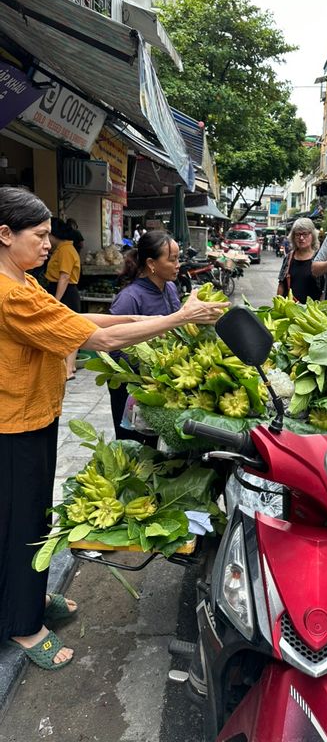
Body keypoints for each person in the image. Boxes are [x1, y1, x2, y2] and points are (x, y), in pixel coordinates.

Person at [0, 186, 227, 671]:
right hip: (12, 426)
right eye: (39, 236)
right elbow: (99, 338)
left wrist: (172, 316)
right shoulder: (9, 294)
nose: (49, 245)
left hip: (34, 414)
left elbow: (78, 319)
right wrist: (179, 318)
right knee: (18, 522)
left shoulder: (23, 278)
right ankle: (22, 626)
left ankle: (29, 599)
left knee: (33, 517)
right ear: (4, 234)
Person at [108, 231, 182, 443]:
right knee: (136, 443)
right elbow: (114, 348)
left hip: (162, 384)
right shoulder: (129, 298)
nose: (178, 264)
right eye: (172, 259)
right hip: (134, 387)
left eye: (178, 258)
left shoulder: (169, 287)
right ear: (151, 263)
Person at [46, 217, 82, 379]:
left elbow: (64, 277)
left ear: (54, 234)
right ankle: (69, 366)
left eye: (47, 235)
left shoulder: (66, 250)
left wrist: (56, 300)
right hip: (60, 290)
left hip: (65, 292)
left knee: (70, 329)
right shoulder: (61, 249)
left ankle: (68, 369)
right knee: (65, 329)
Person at [276, 218, 323, 303]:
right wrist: (278, 305)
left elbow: (324, 289)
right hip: (289, 310)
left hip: (311, 312)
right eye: (297, 234)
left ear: (312, 235)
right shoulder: (289, 258)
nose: (301, 238)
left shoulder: (319, 258)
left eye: (305, 234)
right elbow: (281, 284)